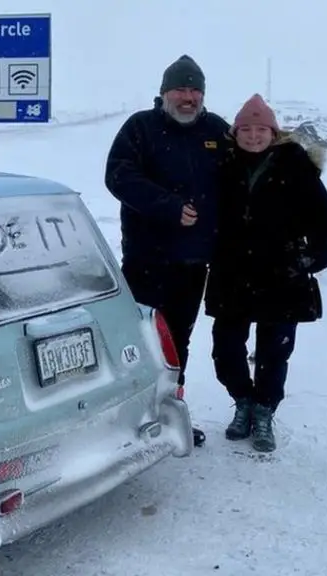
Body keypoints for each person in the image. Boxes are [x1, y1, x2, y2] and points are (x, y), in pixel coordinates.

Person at [104, 55, 232, 448]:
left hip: (193, 264)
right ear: (164, 93)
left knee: (177, 343)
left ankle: (168, 413)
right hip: (146, 260)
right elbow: (118, 176)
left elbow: (247, 171)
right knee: (137, 342)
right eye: (180, 88)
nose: (188, 97)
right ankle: (128, 420)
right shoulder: (140, 128)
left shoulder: (216, 131)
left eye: (195, 89)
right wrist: (168, 206)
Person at [205, 93, 327, 452]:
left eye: (260, 129)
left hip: (282, 277)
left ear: (273, 132)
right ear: (235, 132)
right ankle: (243, 401)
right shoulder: (222, 164)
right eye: (245, 129)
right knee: (226, 349)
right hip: (231, 274)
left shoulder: (296, 165)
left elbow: (324, 222)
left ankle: (264, 411)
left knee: (273, 353)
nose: (252, 136)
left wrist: (308, 261)